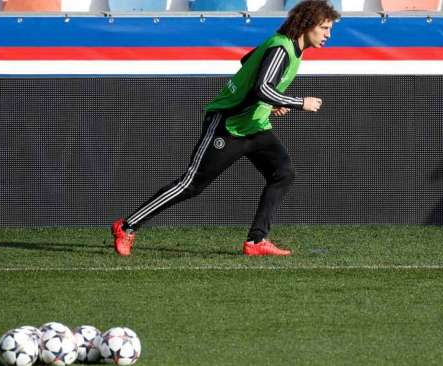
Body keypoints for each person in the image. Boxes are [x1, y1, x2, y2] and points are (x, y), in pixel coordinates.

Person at [111, 0, 340, 257]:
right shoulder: (282, 49)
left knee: (283, 173)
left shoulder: (291, 48)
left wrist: (271, 103)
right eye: (324, 28)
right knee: (191, 185)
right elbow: (262, 87)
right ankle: (126, 226)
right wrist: (298, 102)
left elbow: (248, 62)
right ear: (307, 24)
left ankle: (256, 241)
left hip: (255, 126)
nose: (328, 35)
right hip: (228, 126)